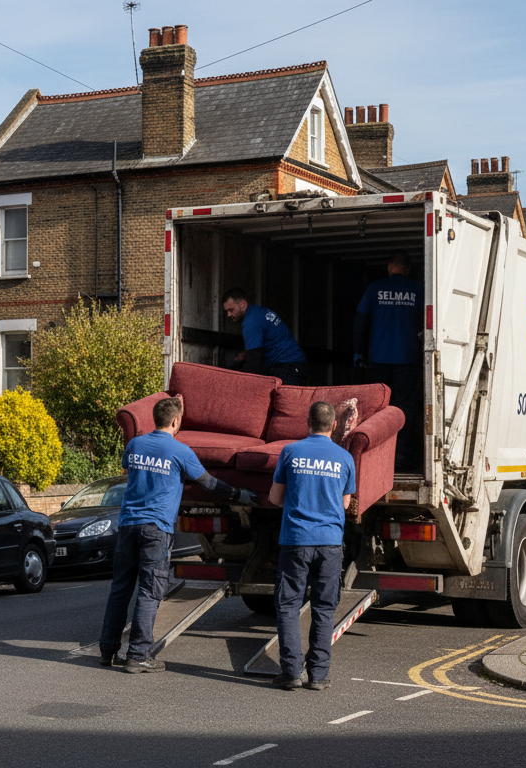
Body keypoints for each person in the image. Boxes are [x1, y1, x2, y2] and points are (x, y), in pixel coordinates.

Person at [100, 396, 258, 673]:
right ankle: (137, 656)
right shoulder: (180, 451)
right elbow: (208, 483)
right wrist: (239, 494)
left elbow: (130, 468)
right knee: (150, 592)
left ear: (155, 419)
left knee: (120, 589)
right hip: (156, 528)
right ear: (175, 421)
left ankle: (108, 651)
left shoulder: (134, 444)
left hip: (127, 525)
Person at [267, 401, 356, 691]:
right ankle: (317, 675)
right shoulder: (344, 459)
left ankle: (291, 672)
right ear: (333, 426)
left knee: (289, 606)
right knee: (324, 608)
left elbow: (275, 498)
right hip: (330, 543)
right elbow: (345, 504)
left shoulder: (290, 452)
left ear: (307, 422)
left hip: (296, 540)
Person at [354, 251, 423, 468]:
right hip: (407, 358)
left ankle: (376, 452)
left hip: (378, 359)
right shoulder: (418, 289)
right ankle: (400, 455)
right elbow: (427, 323)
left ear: (389, 265)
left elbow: (360, 321)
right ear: (408, 269)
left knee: (377, 406)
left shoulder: (374, 288)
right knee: (404, 408)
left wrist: (357, 352)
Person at [221, 288, 308, 385]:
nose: (228, 315)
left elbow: (253, 363)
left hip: (287, 367)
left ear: (243, 304)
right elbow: (268, 342)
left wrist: (236, 382)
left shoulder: (250, 322)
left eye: (231, 310)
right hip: (295, 365)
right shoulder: (258, 312)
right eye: (227, 311)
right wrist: (244, 355)